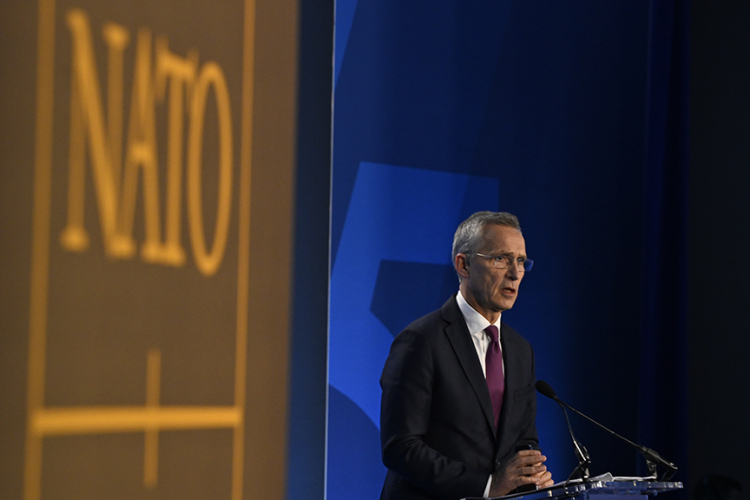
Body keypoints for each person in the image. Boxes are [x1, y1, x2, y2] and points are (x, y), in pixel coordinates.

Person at [379, 211, 553, 500]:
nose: (515, 273)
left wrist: (529, 472)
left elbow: (523, 439)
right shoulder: (421, 341)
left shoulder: (521, 350)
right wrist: (487, 486)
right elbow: (400, 446)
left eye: (521, 261)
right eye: (501, 259)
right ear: (464, 265)